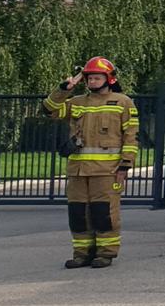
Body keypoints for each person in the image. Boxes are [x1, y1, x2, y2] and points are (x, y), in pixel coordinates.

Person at [43, 57, 138, 269]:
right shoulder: (76, 102)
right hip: (78, 170)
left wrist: (125, 165)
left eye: (96, 77)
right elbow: (50, 110)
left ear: (109, 78)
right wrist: (64, 89)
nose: (92, 81)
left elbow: (130, 137)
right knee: (77, 213)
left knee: (103, 213)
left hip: (107, 171)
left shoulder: (122, 102)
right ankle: (81, 254)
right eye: (89, 78)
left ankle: (105, 253)